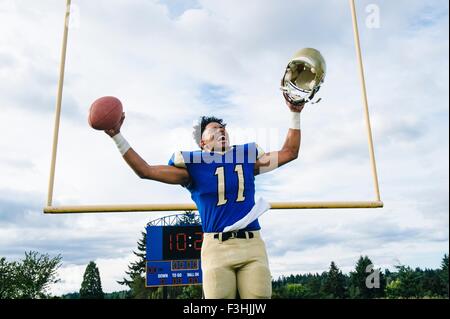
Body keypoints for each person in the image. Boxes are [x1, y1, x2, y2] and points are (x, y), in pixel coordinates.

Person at [104, 94, 304, 299]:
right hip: (217, 247)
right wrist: (117, 136)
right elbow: (145, 170)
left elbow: (289, 152)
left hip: (252, 245)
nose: (221, 130)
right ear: (202, 141)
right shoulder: (192, 168)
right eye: (214, 128)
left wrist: (294, 113)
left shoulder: (247, 160)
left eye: (223, 127)